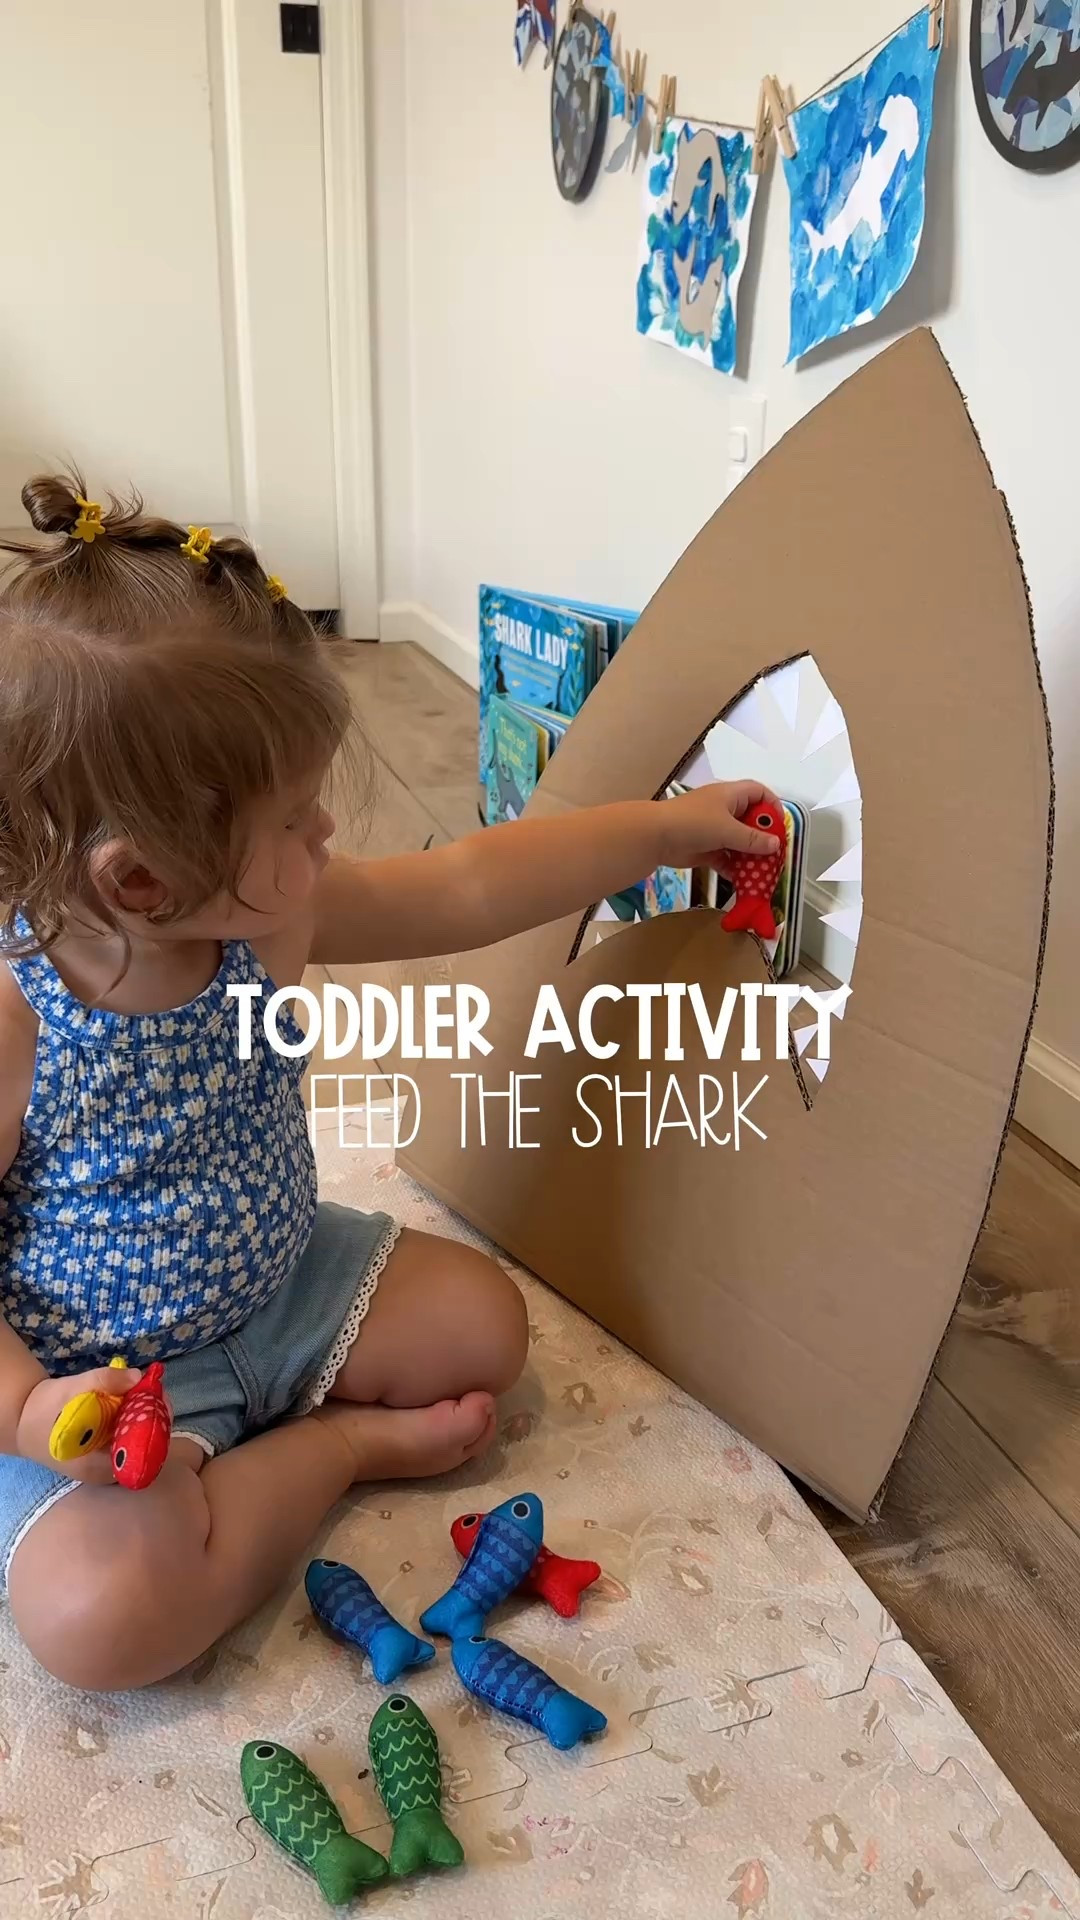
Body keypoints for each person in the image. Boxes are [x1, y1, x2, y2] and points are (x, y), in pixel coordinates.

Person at [0, 472, 781, 1690]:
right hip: (104, 1393)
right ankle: (340, 1451)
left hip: (282, 1286)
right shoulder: (17, 1015)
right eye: (294, 818)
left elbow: (469, 884)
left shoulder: (266, 917)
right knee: (103, 1621)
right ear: (141, 880)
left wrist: (670, 830)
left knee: (485, 1330)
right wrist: (28, 1412)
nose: (324, 837)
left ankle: (280, 1431)